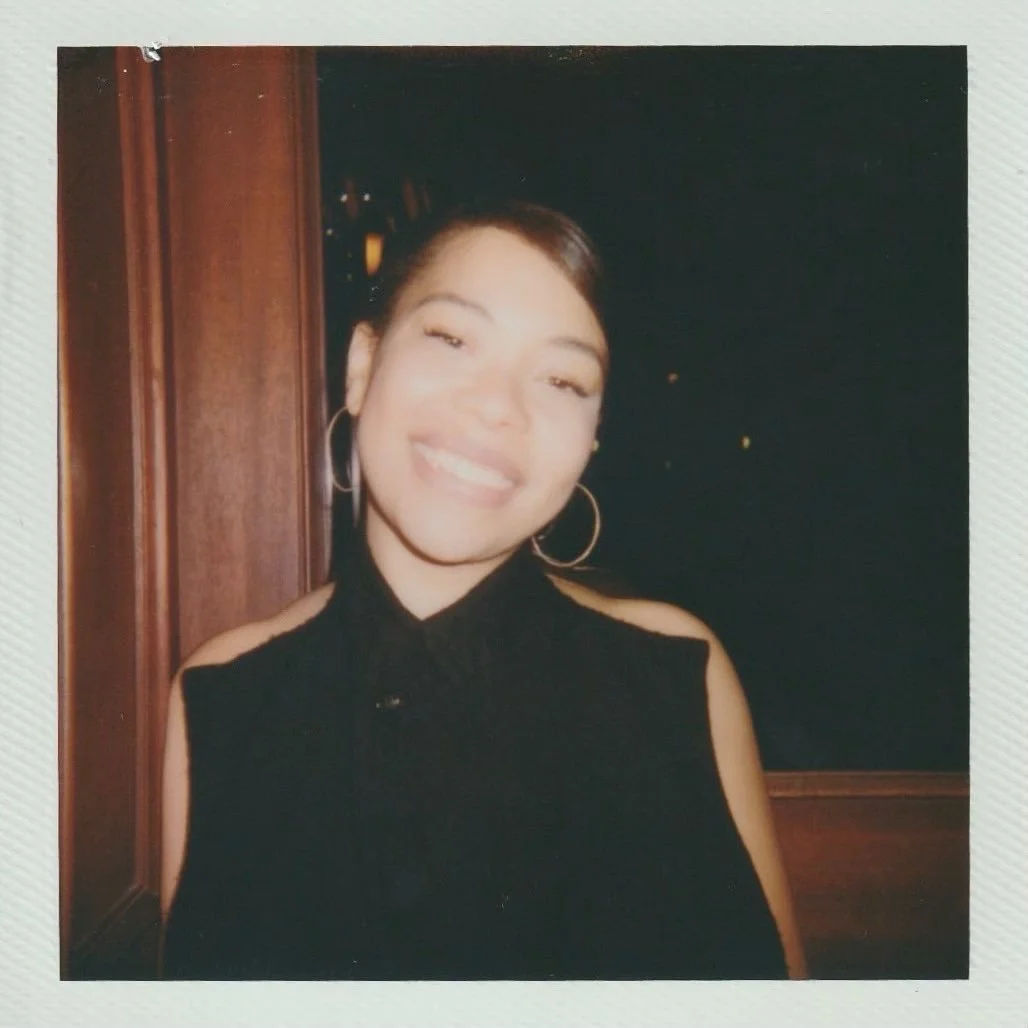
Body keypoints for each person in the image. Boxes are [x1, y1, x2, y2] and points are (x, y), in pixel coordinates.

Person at [160, 199, 807, 980]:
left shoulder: (676, 670)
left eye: (563, 380)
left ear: (592, 439)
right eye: (451, 338)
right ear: (362, 366)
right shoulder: (223, 693)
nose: (499, 407)